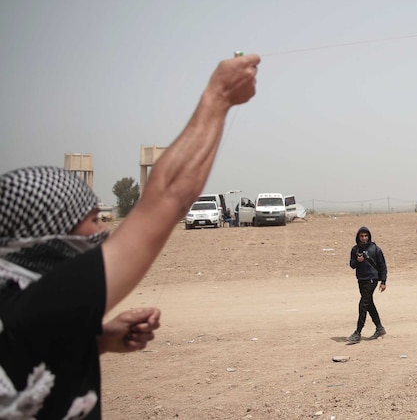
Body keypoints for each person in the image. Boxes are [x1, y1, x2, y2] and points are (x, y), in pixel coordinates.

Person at [0, 53, 260, 418]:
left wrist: (99, 340)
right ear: (47, 234)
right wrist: (219, 97)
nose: (104, 229)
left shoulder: (16, 304)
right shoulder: (41, 305)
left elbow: (27, 352)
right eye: (91, 220)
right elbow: (169, 197)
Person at [347, 227, 387, 344]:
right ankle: (379, 328)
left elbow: (382, 265)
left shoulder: (375, 249)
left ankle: (357, 332)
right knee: (369, 304)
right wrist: (357, 261)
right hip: (361, 279)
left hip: (372, 279)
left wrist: (383, 281)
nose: (364, 238)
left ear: (369, 236)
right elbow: (352, 264)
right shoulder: (355, 250)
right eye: (361, 236)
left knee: (363, 304)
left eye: (366, 236)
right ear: (358, 237)